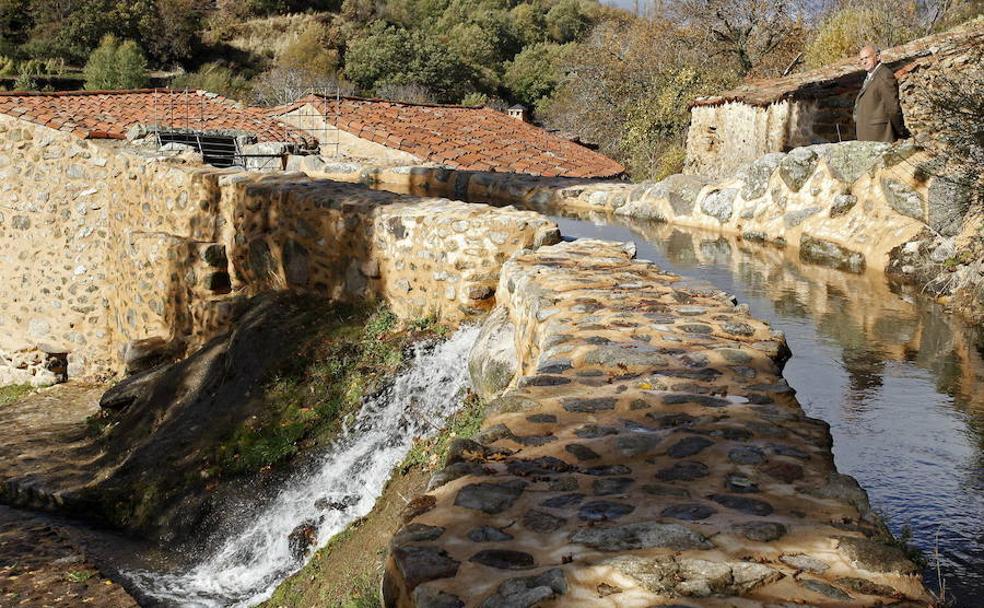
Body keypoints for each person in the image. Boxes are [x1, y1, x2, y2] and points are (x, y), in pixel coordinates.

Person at [853, 45, 909, 142]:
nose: (864, 62)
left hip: (880, 135)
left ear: (878, 57)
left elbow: (892, 107)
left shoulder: (884, 75)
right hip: (869, 135)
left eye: (867, 57)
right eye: (861, 59)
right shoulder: (871, 75)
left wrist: (901, 131)